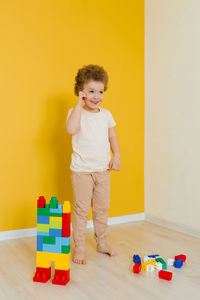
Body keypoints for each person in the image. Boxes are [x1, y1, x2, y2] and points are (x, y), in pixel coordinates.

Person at [66, 64, 120, 264]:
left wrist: (118, 155)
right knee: (81, 210)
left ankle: (102, 242)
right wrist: (79, 106)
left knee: (101, 209)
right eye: (91, 91)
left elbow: (112, 136)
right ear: (81, 92)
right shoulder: (76, 112)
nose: (96, 96)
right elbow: (71, 130)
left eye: (100, 91)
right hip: (81, 172)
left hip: (102, 170)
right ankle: (79, 246)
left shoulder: (106, 115)